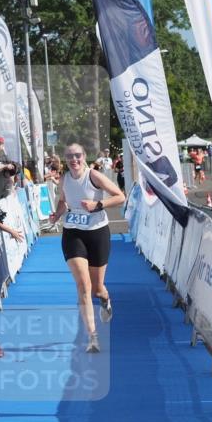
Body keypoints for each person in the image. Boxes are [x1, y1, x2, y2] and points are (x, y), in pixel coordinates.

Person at [47, 143, 125, 354]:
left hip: (97, 232)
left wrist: (97, 205)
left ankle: (106, 300)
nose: (74, 159)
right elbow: (63, 201)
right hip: (73, 233)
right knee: (83, 286)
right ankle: (92, 336)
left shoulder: (94, 176)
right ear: (65, 158)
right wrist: (57, 214)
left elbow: (120, 196)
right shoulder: (63, 179)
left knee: (98, 289)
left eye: (78, 155)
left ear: (84, 156)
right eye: (70, 156)